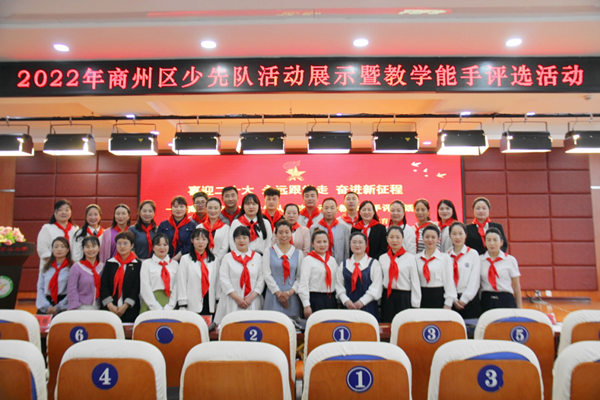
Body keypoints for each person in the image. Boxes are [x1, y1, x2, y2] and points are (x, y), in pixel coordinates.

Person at [215, 226, 264, 324]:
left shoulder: (257, 257)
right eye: (238, 238)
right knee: (231, 326)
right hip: (232, 300)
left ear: (249, 239)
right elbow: (224, 279)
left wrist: (250, 298)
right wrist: (237, 299)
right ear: (234, 240)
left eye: (244, 237)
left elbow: (261, 279)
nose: (241, 241)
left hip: (252, 300)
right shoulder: (228, 257)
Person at [336, 232, 383, 320]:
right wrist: (346, 301)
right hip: (348, 308)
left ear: (366, 244)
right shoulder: (344, 264)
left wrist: (362, 302)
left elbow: (376, 287)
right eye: (354, 242)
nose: (357, 245)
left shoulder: (374, 263)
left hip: (368, 307)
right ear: (350, 244)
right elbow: (339, 286)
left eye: (360, 242)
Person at [262, 220, 304, 318]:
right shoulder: (268, 251)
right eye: (280, 232)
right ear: (276, 234)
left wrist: (289, 293)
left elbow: (300, 276)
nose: (284, 235)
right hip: (273, 294)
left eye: (287, 232)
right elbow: (267, 274)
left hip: (292, 296)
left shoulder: (298, 253)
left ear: (291, 233)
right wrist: (279, 293)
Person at [380, 226, 421, 322]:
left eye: (398, 237)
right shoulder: (382, 258)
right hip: (387, 296)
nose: (395, 240)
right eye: (391, 237)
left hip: (404, 296)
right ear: (387, 239)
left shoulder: (410, 258)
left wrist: (416, 304)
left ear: (402, 239)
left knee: (404, 325)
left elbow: (415, 282)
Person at [100, 231, 141, 323]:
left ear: (131, 245)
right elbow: (104, 285)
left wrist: (125, 305)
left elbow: (136, 287)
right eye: (119, 243)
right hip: (110, 309)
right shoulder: (110, 263)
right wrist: (110, 305)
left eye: (125, 243)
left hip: (130, 309)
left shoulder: (137, 264)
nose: (122, 246)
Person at [177, 228, 219, 316]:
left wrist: (217, 300)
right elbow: (181, 282)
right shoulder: (185, 259)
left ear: (208, 241)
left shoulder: (214, 259)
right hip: (191, 303)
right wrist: (183, 303)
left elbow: (217, 282)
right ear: (192, 241)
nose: (200, 242)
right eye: (197, 239)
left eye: (204, 239)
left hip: (209, 301)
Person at [298, 230, 339, 318]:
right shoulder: (308, 260)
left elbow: (337, 280)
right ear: (312, 244)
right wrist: (306, 305)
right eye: (319, 242)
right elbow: (303, 284)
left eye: (325, 241)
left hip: (331, 298)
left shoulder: (332, 260)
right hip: (315, 298)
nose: (322, 245)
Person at [480, 227, 521, 312]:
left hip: (505, 299)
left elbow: (516, 285)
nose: (492, 243)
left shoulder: (510, 260)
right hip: (486, 299)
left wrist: (519, 307)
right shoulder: (479, 260)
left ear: (501, 242)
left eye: (495, 240)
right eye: (489, 240)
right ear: (485, 243)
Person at [416, 225, 457, 309]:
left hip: (438, 295)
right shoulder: (416, 258)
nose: (430, 240)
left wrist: (448, 303)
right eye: (427, 237)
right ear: (422, 239)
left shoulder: (445, 258)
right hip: (421, 296)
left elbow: (449, 281)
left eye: (433, 237)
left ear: (438, 239)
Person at [448, 222, 482, 319]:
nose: (457, 237)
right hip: (452, 301)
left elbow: (474, 279)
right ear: (450, 236)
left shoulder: (473, 254)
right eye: (454, 234)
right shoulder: (447, 255)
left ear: (465, 235)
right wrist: (454, 299)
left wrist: (464, 299)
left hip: (470, 300)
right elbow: (447, 280)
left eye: (460, 233)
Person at [140, 233, 178, 312]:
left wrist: (170, 306)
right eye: (158, 245)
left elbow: (177, 286)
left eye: (165, 245)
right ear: (153, 247)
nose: (162, 248)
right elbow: (145, 287)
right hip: (151, 304)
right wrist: (156, 307)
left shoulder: (175, 264)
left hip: (170, 304)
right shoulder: (146, 263)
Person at [37, 199, 78, 270]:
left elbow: (78, 251)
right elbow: (42, 249)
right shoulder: (47, 228)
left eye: (67, 210)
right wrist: (58, 263)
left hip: (71, 268)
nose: (64, 212)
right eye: (60, 210)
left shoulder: (76, 230)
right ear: (55, 212)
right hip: (51, 267)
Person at [36, 237, 72, 315]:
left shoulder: (72, 268)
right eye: (56, 246)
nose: (59, 249)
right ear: (52, 250)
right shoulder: (46, 268)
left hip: (63, 306)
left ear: (67, 250)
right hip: (46, 305)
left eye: (62, 246)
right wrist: (47, 306)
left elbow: (72, 291)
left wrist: (58, 307)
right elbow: (40, 288)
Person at [67, 236, 104, 310]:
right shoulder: (77, 267)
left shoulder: (102, 267)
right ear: (83, 249)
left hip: (99, 307)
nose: (91, 249)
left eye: (93, 246)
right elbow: (72, 289)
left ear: (99, 248)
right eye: (87, 247)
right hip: (81, 307)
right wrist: (75, 307)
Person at [158, 196, 197, 261]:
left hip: (185, 260)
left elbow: (190, 244)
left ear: (186, 208)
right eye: (175, 207)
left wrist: (175, 258)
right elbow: (158, 242)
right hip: (164, 259)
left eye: (181, 207)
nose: (178, 209)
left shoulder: (192, 226)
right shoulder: (163, 225)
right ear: (171, 208)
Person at [310, 197, 350, 262]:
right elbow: (311, 249)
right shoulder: (314, 228)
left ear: (337, 210)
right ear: (321, 210)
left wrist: (344, 265)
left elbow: (346, 251)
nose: (329, 211)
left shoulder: (344, 228)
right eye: (326, 208)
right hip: (319, 263)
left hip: (339, 264)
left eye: (332, 208)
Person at [197, 197, 230, 263]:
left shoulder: (226, 228)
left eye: (215, 208)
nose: (213, 211)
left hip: (219, 262)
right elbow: (197, 245)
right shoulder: (200, 227)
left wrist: (214, 261)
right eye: (210, 208)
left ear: (220, 209)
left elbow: (224, 248)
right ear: (206, 209)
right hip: (201, 261)